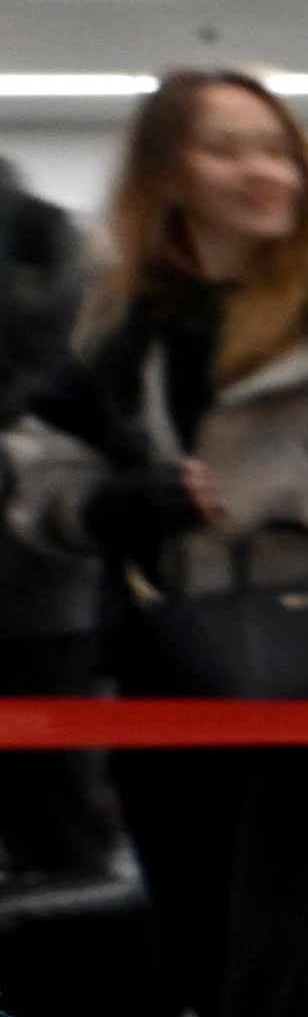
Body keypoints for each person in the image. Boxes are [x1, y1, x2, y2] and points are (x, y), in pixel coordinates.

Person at [6, 73, 308, 1017]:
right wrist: (116, 508)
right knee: (191, 934)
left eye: (276, 148)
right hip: (161, 652)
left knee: (279, 952)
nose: (262, 171)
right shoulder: (114, 318)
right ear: (168, 172)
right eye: (227, 148)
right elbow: (36, 466)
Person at [0, 155, 112, 886]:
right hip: (53, 596)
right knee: (58, 817)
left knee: (54, 814)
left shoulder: (53, 247)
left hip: (41, 586)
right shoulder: (67, 249)